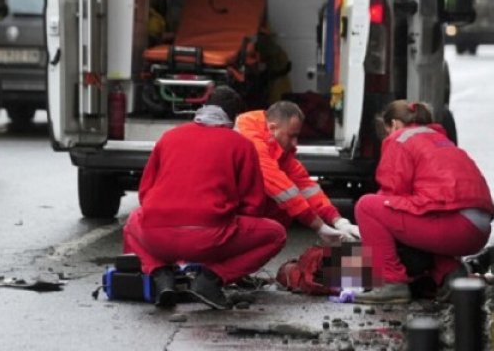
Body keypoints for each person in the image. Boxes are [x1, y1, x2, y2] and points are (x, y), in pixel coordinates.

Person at [123, 86, 286, 310]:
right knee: (275, 234)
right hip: (209, 239)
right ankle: (210, 279)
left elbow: (145, 194)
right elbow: (253, 205)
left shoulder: (168, 137)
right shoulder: (242, 145)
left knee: (132, 222)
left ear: (203, 108)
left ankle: (161, 275)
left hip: (157, 237)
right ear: (234, 118)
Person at [353, 100, 494, 304]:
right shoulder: (439, 139)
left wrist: (369, 231)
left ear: (394, 125)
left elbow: (390, 196)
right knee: (422, 216)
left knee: (367, 207)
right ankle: (451, 273)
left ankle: (391, 283)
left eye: (386, 131)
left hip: (455, 226)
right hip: (478, 230)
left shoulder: (399, 139)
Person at [235, 101, 360, 244]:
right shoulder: (251, 139)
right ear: (272, 128)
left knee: (283, 212)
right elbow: (277, 185)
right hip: (223, 212)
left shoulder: (274, 144)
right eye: (291, 136)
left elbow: (306, 187)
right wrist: (318, 226)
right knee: (278, 221)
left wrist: (338, 221)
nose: (295, 143)